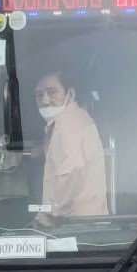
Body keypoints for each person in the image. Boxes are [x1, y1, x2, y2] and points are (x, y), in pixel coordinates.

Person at [34, 71, 108, 220]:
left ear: (70, 94)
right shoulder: (75, 118)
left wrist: (50, 214)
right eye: (39, 95)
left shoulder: (67, 124)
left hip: (74, 223)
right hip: (87, 220)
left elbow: (70, 174)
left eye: (52, 92)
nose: (45, 100)